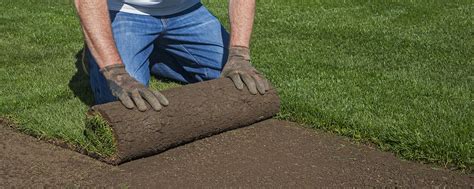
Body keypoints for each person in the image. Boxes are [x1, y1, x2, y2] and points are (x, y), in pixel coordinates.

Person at [74, 0, 270, 112]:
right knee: (127, 107)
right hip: (124, 11)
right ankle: (98, 48)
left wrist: (239, 52)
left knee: (238, 82)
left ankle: (153, 52)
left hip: (187, 11)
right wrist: (114, 70)